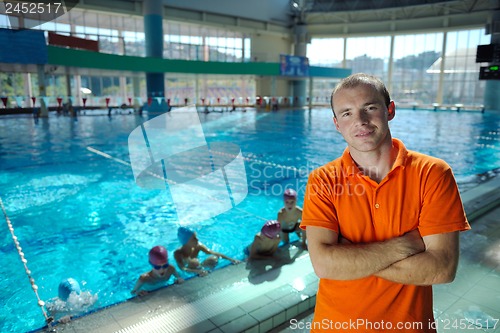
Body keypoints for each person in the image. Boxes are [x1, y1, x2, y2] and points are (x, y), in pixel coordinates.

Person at [300, 73, 470, 332]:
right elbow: (323, 265)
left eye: (370, 107)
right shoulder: (322, 180)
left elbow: (442, 269)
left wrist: (351, 257)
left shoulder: (433, 173)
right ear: (337, 124)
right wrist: (407, 245)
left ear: (390, 110)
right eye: (347, 113)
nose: (360, 121)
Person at [174, 227, 241, 276]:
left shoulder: (198, 245)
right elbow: (183, 268)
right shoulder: (178, 253)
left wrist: (231, 259)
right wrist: (197, 271)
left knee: (214, 258)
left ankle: (209, 273)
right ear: (186, 242)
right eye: (194, 238)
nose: (197, 239)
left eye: (196, 237)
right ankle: (201, 274)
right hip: (190, 270)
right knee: (194, 262)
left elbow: (213, 253)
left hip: (199, 268)